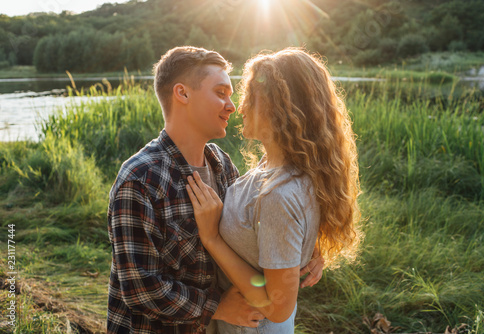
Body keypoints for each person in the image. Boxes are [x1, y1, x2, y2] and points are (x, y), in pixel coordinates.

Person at [106, 46, 324, 334]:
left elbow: (250, 232)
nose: (233, 106)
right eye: (221, 93)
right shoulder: (141, 180)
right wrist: (217, 308)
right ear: (182, 94)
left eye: (231, 95)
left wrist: (307, 250)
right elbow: (139, 287)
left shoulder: (221, 163)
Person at [186, 48, 362, 333]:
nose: (239, 107)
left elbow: (278, 308)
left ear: (279, 107)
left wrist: (212, 238)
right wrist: (307, 251)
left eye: (250, 98)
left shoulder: (277, 194)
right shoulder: (280, 169)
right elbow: (281, 230)